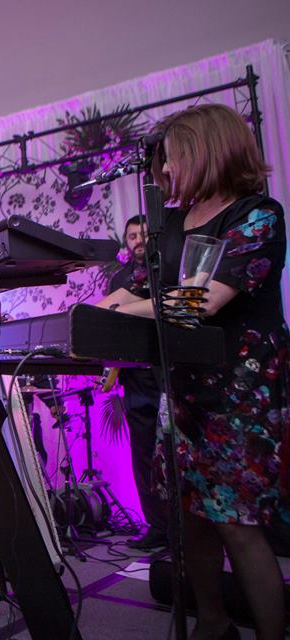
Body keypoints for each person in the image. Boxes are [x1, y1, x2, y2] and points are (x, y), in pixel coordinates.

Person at [98, 104, 287, 640]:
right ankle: (213, 623)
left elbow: (200, 303)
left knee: (237, 526)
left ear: (207, 150)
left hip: (240, 393)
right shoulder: (171, 224)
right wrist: (91, 313)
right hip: (182, 391)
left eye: (174, 157)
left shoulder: (257, 215)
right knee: (190, 520)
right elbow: (133, 290)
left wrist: (123, 309)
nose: (165, 170)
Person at [105, 215, 167, 550]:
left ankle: (190, 532)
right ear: (126, 242)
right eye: (132, 236)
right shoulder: (120, 278)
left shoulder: (168, 269)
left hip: (170, 374)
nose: (139, 240)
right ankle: (157, 527)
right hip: (136, 379)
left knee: (173, 453)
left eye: (144, 233)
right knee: (143, 455)